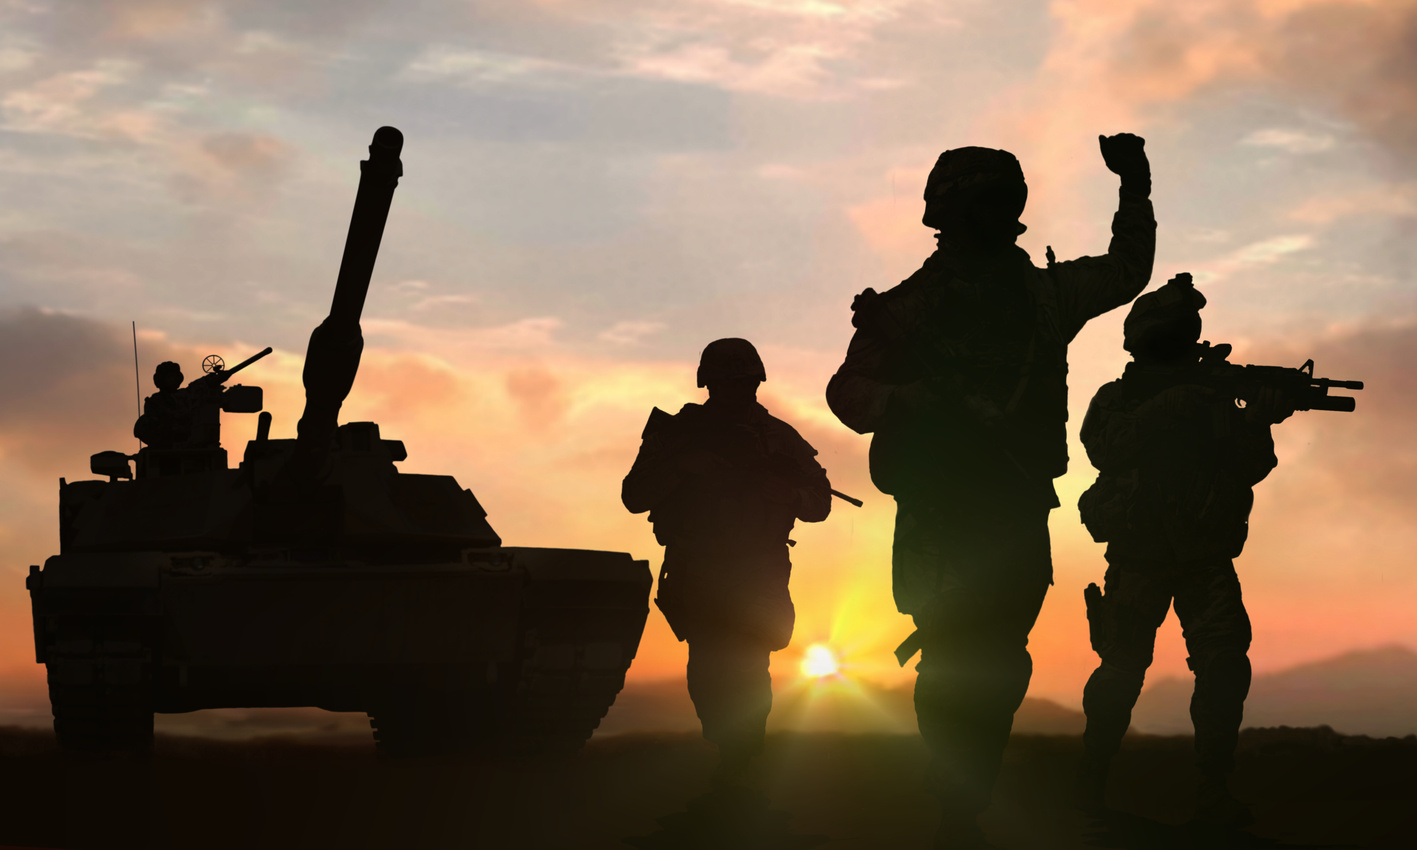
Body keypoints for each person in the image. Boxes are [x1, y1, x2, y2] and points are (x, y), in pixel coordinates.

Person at [825, 135, 1155, 848]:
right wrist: (907, 400)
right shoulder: (909, 307)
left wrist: (1134, 188)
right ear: (956, 211)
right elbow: (847, 392)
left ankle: (965, 789)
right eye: (986, 204)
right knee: (949, 653)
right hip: (941, 508)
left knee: (1000, 657)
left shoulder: (1042, 293)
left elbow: (1127, 270)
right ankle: (954, 799)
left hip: (1012, 503)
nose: (998, 217)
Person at [1075, 273, 1292, 827]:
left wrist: (1257, 420)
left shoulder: (1211, 397)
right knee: (1119, 672)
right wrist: (1170, 406)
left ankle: (1212, 794)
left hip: (1204, 556)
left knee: (1223, 670)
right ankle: (1089, 794)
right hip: (1139, 554)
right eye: (1171, 331)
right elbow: (1105, 450)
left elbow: (1250, 467)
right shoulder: (1117, 400)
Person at [622, 338, 832, 785]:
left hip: (758, 571)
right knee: (710, 669)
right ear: (708, 384)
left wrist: (788, 495)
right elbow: (634, 496)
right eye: (725, 383)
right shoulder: (677, 435)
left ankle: (742, 758)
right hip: (698, 568)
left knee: (749, 666)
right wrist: (683, 467)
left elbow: (821, 500)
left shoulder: (778, 438)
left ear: (756, 382)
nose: (735, 391)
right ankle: (729, 750)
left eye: (743, 382)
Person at [133, 361, 194, 448]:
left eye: (176, 377)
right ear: (161, 380)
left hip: (187, 440)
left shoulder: (186, 395)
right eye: (170, 377)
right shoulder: (155, 400)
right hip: (165, 442)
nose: (174, 380)